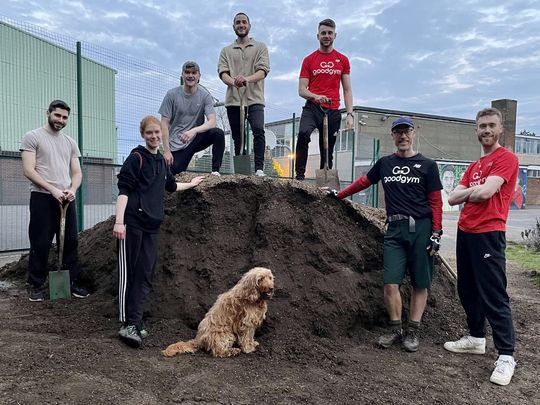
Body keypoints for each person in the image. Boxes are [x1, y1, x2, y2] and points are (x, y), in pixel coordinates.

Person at [330, 116, 443, 352]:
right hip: (395, 229)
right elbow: (363, 182)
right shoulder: (385, 163)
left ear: (413, 133)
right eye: (398, 132)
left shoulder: (428, 166)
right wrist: (339, 195)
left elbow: (436, 202)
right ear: (392, 136)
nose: (402, 136)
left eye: (406, 131)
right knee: (390, 283)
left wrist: (436, 233)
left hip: (421, 229)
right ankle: (395, 329)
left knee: (420, 282)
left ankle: (413, 331)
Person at [113, 116, 204, 348]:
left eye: (157, 133)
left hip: (152, 227)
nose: (154, 136)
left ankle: (136, 320)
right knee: (129, 275)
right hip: (132, 224)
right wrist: (119, 222)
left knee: (145, 275)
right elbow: (124, 191)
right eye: (149, 133)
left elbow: (171, 186)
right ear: (142, 134)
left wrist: (192, 184)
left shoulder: (162, 162)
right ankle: (127, 323)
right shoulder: (136, 159)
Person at [444, 107, 519, 386]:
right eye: (482, 126)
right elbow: (452, 199)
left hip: (489, 233)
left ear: (500, 130)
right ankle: (476, 338)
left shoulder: (507, 158)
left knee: (493, 294)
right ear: (476, 130)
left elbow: (487, 193)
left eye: (491, 126)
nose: (486, 130)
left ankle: (506, 355)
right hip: (465, 231)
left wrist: (471, 193)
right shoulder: (475, 166)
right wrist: (471, 193)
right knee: (467, 289)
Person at [20, 99, 90, 302]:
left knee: (70, 241)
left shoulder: (70, 142)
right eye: (57, 115)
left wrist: (72, 189)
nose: (60, 120)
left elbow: (76, 172)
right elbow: (28, 170)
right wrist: (52, 190)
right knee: (40, 242)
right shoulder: (32, 137)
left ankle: (72, 282)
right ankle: (35, 284)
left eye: (65, 117)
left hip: (66, 199)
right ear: (48, 113)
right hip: (42, 197)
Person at [294, 18, 354, 181]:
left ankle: (325, 183)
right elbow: (301, 90)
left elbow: (347, 90)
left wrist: (349, 114)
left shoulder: (342, 60)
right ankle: (299, 176)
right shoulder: (309, 60)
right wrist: (316, 96)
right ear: (318, 35)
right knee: (303, 133)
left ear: (335, 35)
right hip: (313, 108)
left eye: (329, 33)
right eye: (323, 33)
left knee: (327, 149)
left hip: (333, 110)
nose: (326, 36)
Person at [218, 12, 270, 176]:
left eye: (244, 22)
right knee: (238, 136)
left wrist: (246, 79)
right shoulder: (226, 50)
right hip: (234, 100)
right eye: (238, 22)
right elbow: (223, 73)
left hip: (255, 99)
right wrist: (234, 82)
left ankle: (259, 169)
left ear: (249, 25)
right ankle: (242, 171)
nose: (241, 25)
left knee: (258, 130)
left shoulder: (260, 47)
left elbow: (262, 71)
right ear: (234, 27)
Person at [159, 61, 225, 176]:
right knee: (173, 172)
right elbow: (164, 123)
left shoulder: (205, 96)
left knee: (218, 133)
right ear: (182, 75)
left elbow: (212, 122)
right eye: (187, 72)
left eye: (194, 73)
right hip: (177, 144)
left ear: (199, 76)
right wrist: (167, 150)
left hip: (195, 139)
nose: (190, 75)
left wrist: (193, 131)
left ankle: (215, 171)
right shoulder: (171, 95)